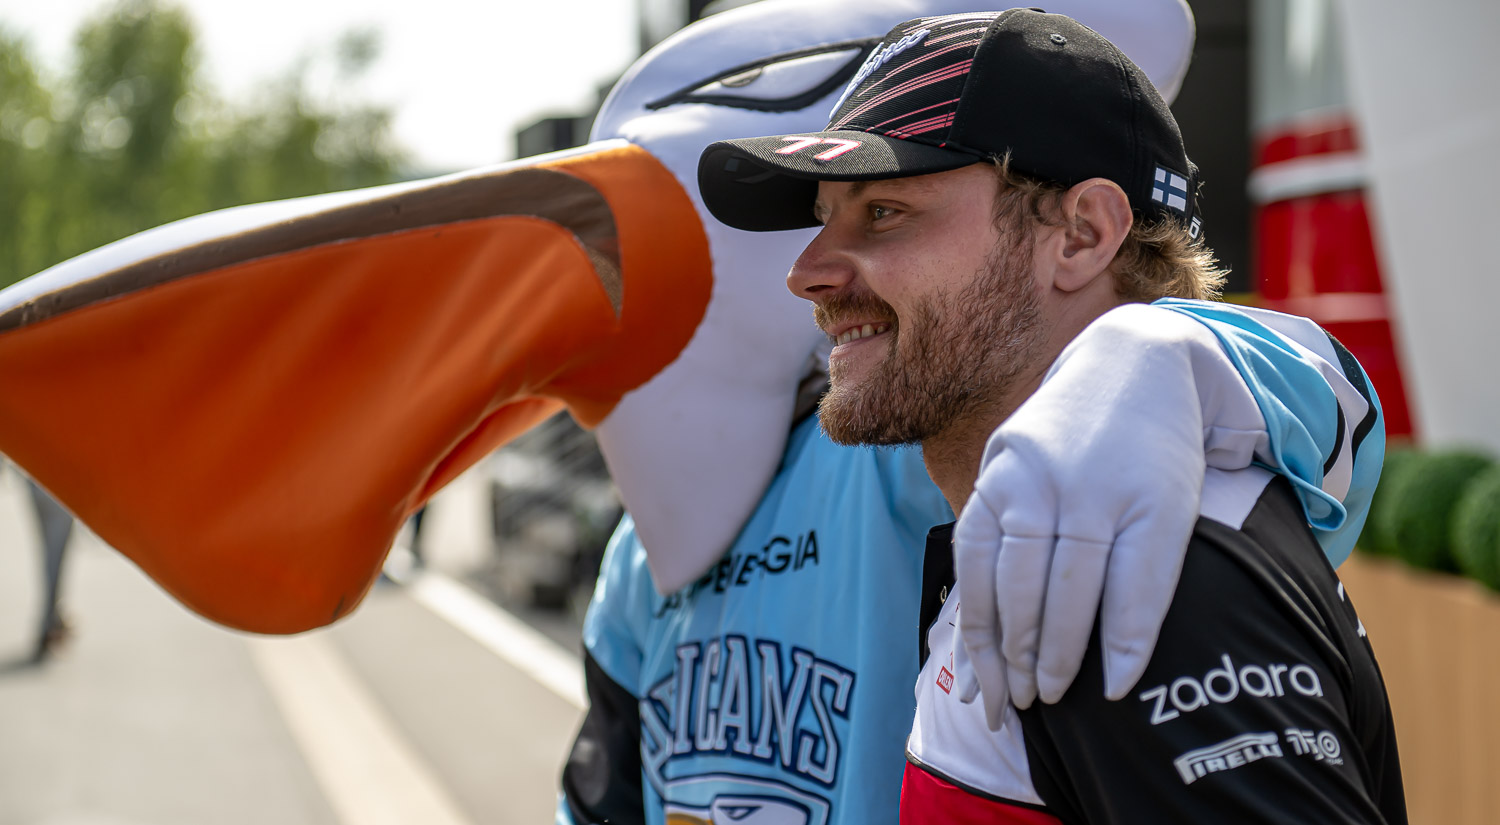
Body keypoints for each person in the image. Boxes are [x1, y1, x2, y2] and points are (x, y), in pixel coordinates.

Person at [694, 9, 1404, 824]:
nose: (806, 272)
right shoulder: (1066, 519)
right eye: (826, 217)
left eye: (883, 211)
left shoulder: (1138, 551)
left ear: (1081, 234)